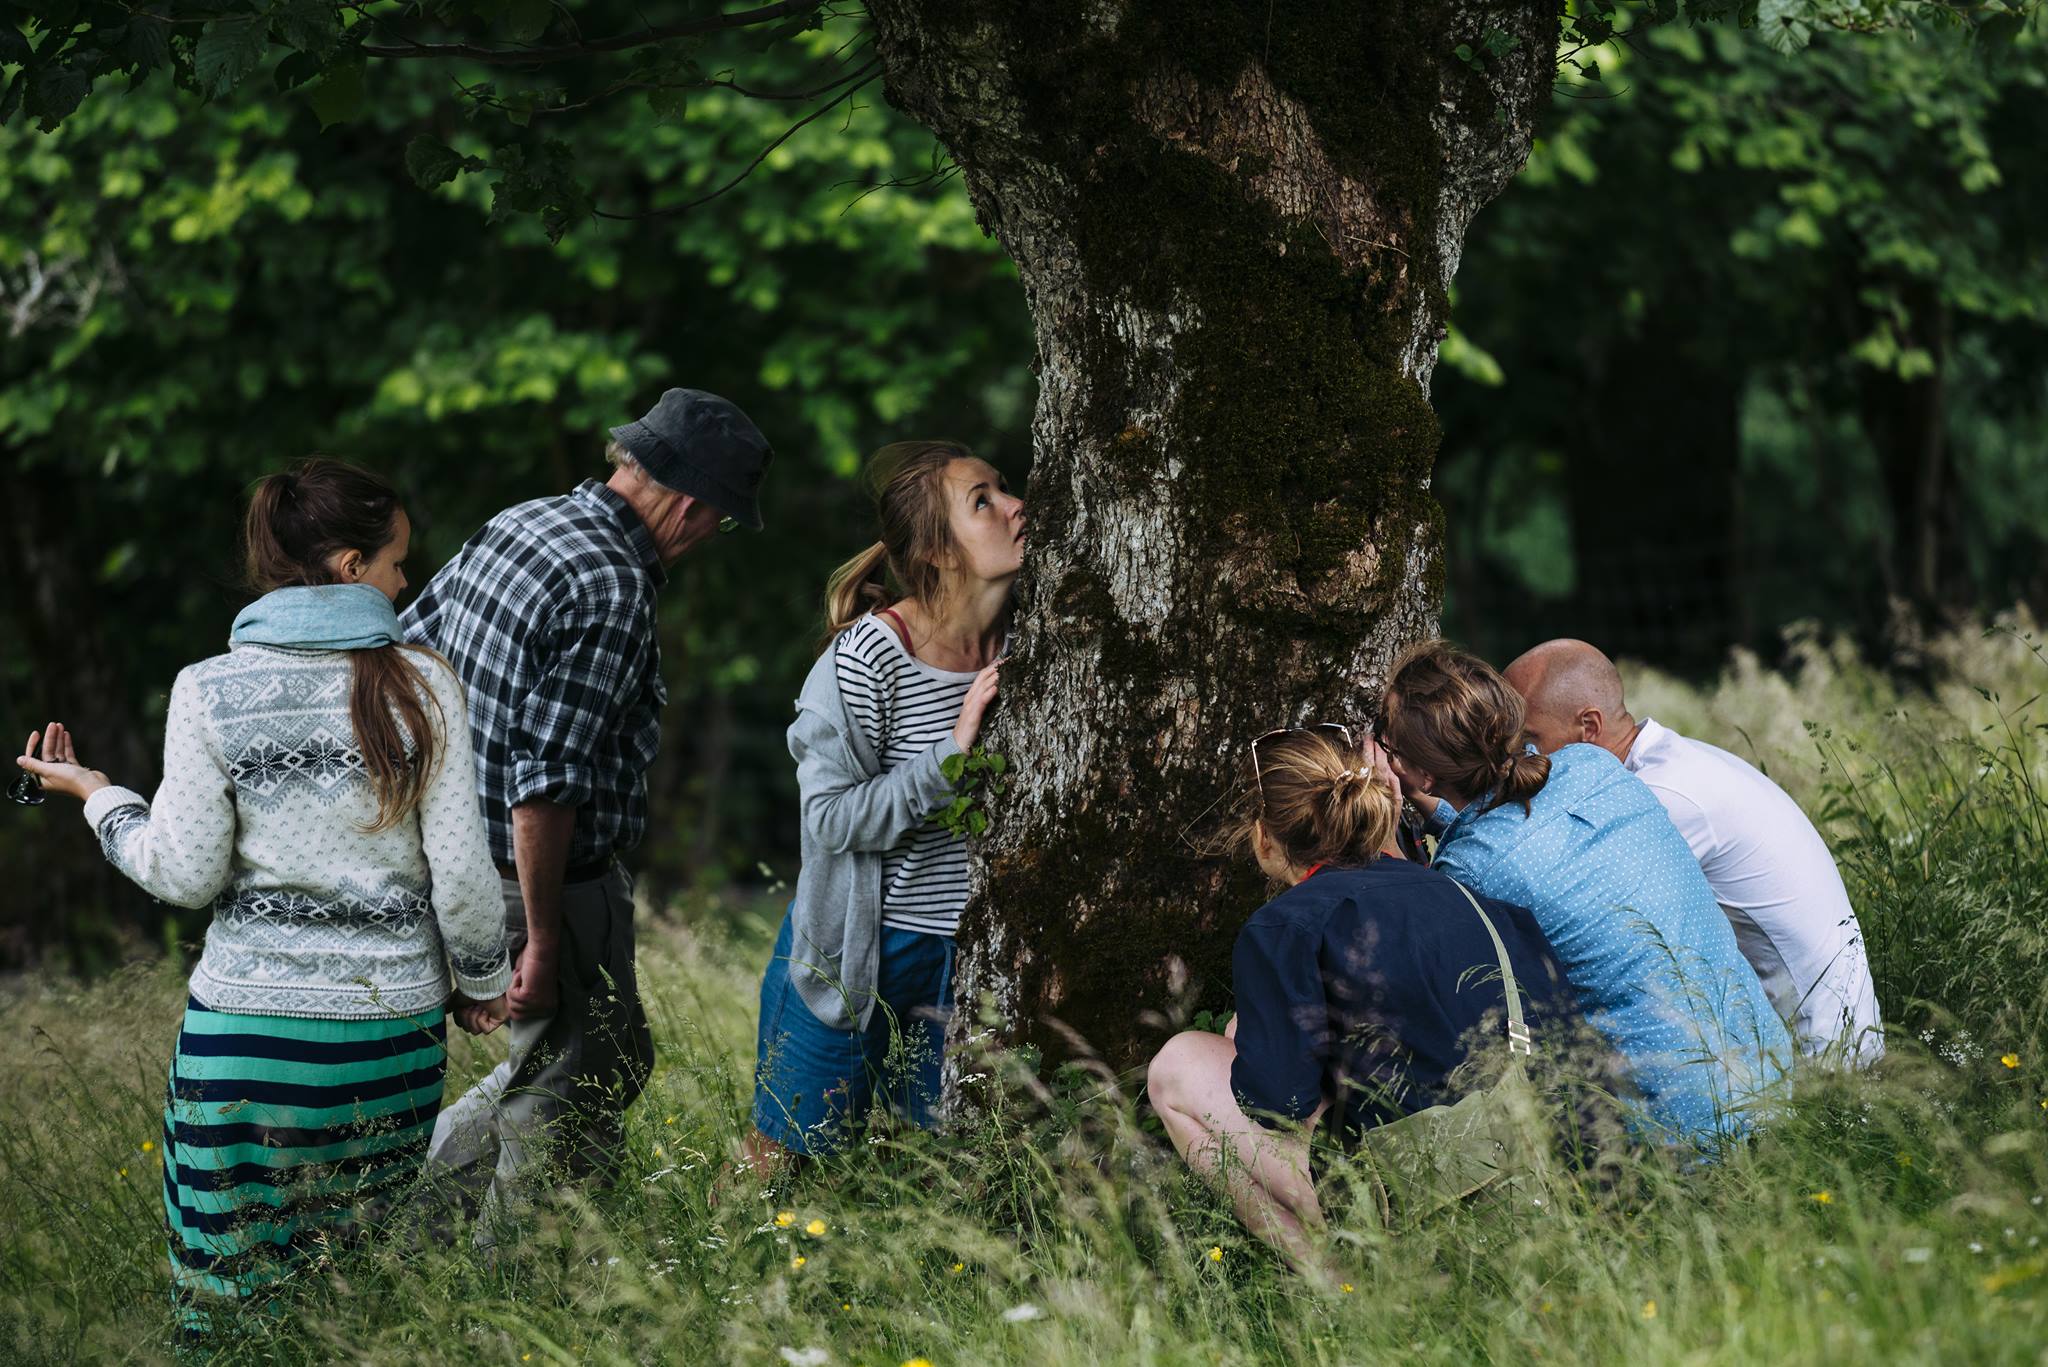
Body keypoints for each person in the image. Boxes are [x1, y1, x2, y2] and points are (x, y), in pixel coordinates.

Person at [14, 459, 511, 1337]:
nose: (408, 580)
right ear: (352, 566)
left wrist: (97, 794)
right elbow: (465, 876)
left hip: (248, 1042)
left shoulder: (209, 689)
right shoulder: (426, 685)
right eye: (398, 562)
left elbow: (183, 872)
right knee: (346, 1300)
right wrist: (479, 985)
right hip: (390, 1044)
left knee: (225, 1300)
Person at [402, 387, 773, 1242]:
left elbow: (408, 653)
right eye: (720, 519)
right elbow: (548, 784)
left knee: (601, 1057)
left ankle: (413, 1235)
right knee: (565, 1096)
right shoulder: (612, 588)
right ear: (687, 503)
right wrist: (541, 937)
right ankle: (516, 1294)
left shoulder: (523, 521)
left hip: (459, 856)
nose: (715, 537)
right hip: (543, 880)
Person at [1145, 726, 1578, 1271]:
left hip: (1424, 1191)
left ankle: (1336, 1284)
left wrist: (1252, 1042)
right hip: (1547, 1170)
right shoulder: (1470, 894)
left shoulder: (1286, 925)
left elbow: (1279, 1107)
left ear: (1264, 838)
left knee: (1177, 1065)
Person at [1379, 641, 1791, 1150]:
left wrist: (1379, 844)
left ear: (1419, 772)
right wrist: (1440, 808)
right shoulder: (1591, 767)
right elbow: (1529, 838)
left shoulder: (1470, 867)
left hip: (1674, 1142)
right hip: (1774, 1088)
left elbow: (1416, 932)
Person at [744, 440, 1022, 1168]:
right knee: (783, 1159)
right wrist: (950, 756)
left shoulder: (1032, 645)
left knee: (924, 1167)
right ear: (936, 552)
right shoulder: (870, 657)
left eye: (1004, 488)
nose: (1017, 506)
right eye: (983, 501)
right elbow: (829, 818)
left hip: (967, 957)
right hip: (857, 951)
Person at [1503, 639, 1883, 1065]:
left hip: (1817, 1054)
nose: (1516, 759)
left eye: (1529, 741)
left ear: (1589, 727)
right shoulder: (1675, 764)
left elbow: (1572, 914)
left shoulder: (1663, 798)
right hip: (1804, 1033)